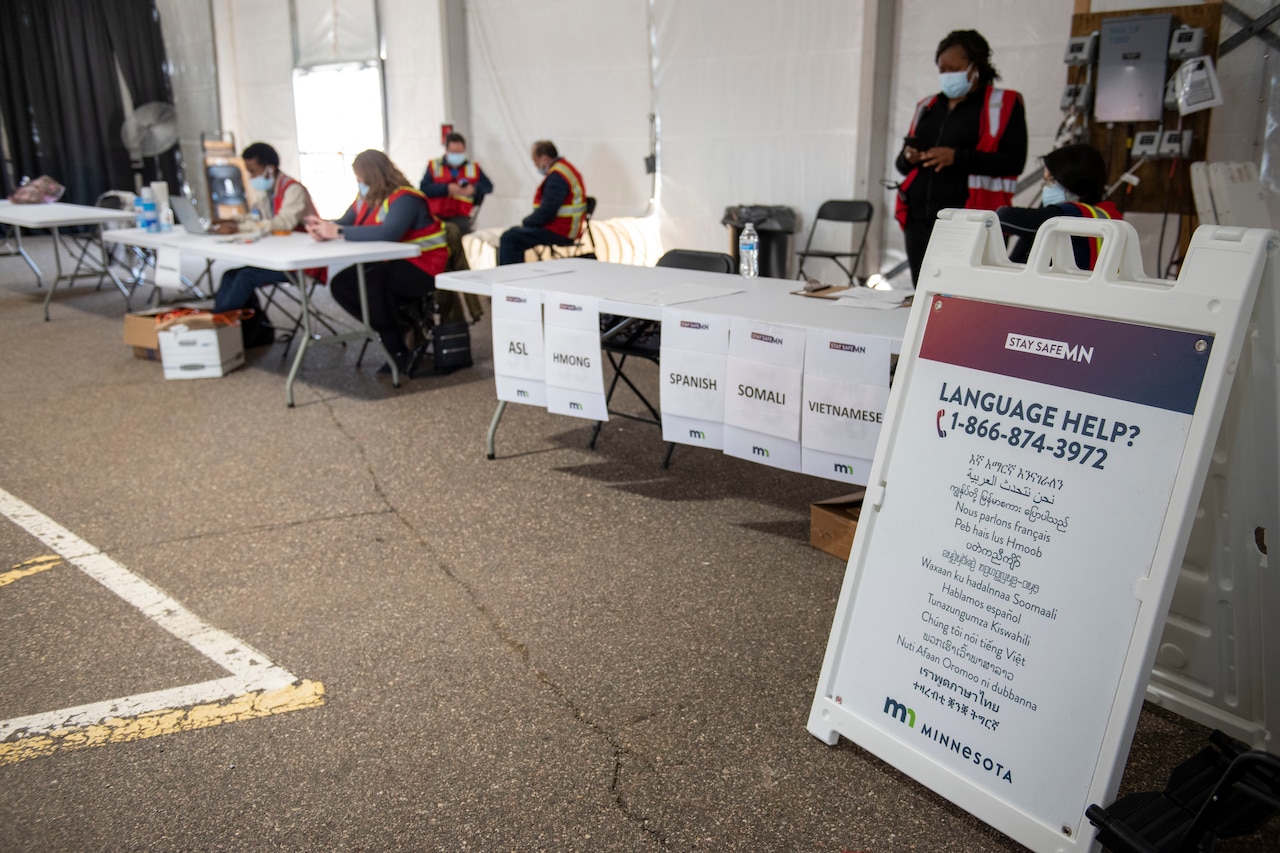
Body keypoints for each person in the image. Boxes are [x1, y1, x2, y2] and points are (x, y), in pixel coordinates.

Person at [894, 30, 1028, 286]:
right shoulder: (928, 106)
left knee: (964, 294)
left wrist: (957, 158)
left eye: (954, 68)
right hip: (919, 217)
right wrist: (908, 157)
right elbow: (901, 165)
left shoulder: (1004, 103)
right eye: (942, 69)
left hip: (969, 219)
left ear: (976, 67)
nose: (947, 75)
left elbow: (1014, 161)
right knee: (923, 289)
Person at [305, 149, 448, 375]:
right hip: (390, 263)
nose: (359, 184)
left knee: (371, 285)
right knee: (343, 284)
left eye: (360, 179)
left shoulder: (406, 198)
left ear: (373, 176)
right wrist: (323, 227)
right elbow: (344, 223)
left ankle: (395, 344)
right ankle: (395, 328)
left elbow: (388, 233)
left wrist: (338, 231)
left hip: (424, 266)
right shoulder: (366, 199)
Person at [211, 142, 320, 347]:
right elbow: (256, 217)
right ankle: (221, 324)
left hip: (303, 262)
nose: (252, 177)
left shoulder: (293, 189)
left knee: (245, 277)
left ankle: (218, 330)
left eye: (253, 171)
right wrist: (236, 222)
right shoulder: (267, 191)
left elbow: (283, 223)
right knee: (230, 274)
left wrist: (241, 228)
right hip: (276, 255)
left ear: (270, 168)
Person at [998, 143, 1121, 270]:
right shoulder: (1108, 212)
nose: (1045, 187)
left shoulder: (1075, 214)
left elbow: (1004, 217)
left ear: (1070, 180)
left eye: (1050, 181)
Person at [497, 140, 588, 265]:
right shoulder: (566, 169)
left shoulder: (557, 177)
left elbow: (548, 211)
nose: (535, 165)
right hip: (567, 228)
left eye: (535, 160)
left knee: (510, 238)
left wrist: (527, 221)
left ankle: (510, 278)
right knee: (514, 233)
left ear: (544, 158)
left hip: (559, 230)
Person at [419, 132, 493, 235]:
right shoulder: (434, 166)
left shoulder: (473, 167)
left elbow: (488, 186)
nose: (456, 155)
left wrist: (473, 189)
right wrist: (446, 189)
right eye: (453, 152)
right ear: (446, 150)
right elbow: (424, 188)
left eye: (459, 152)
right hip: (436, 217)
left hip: (461, 218)